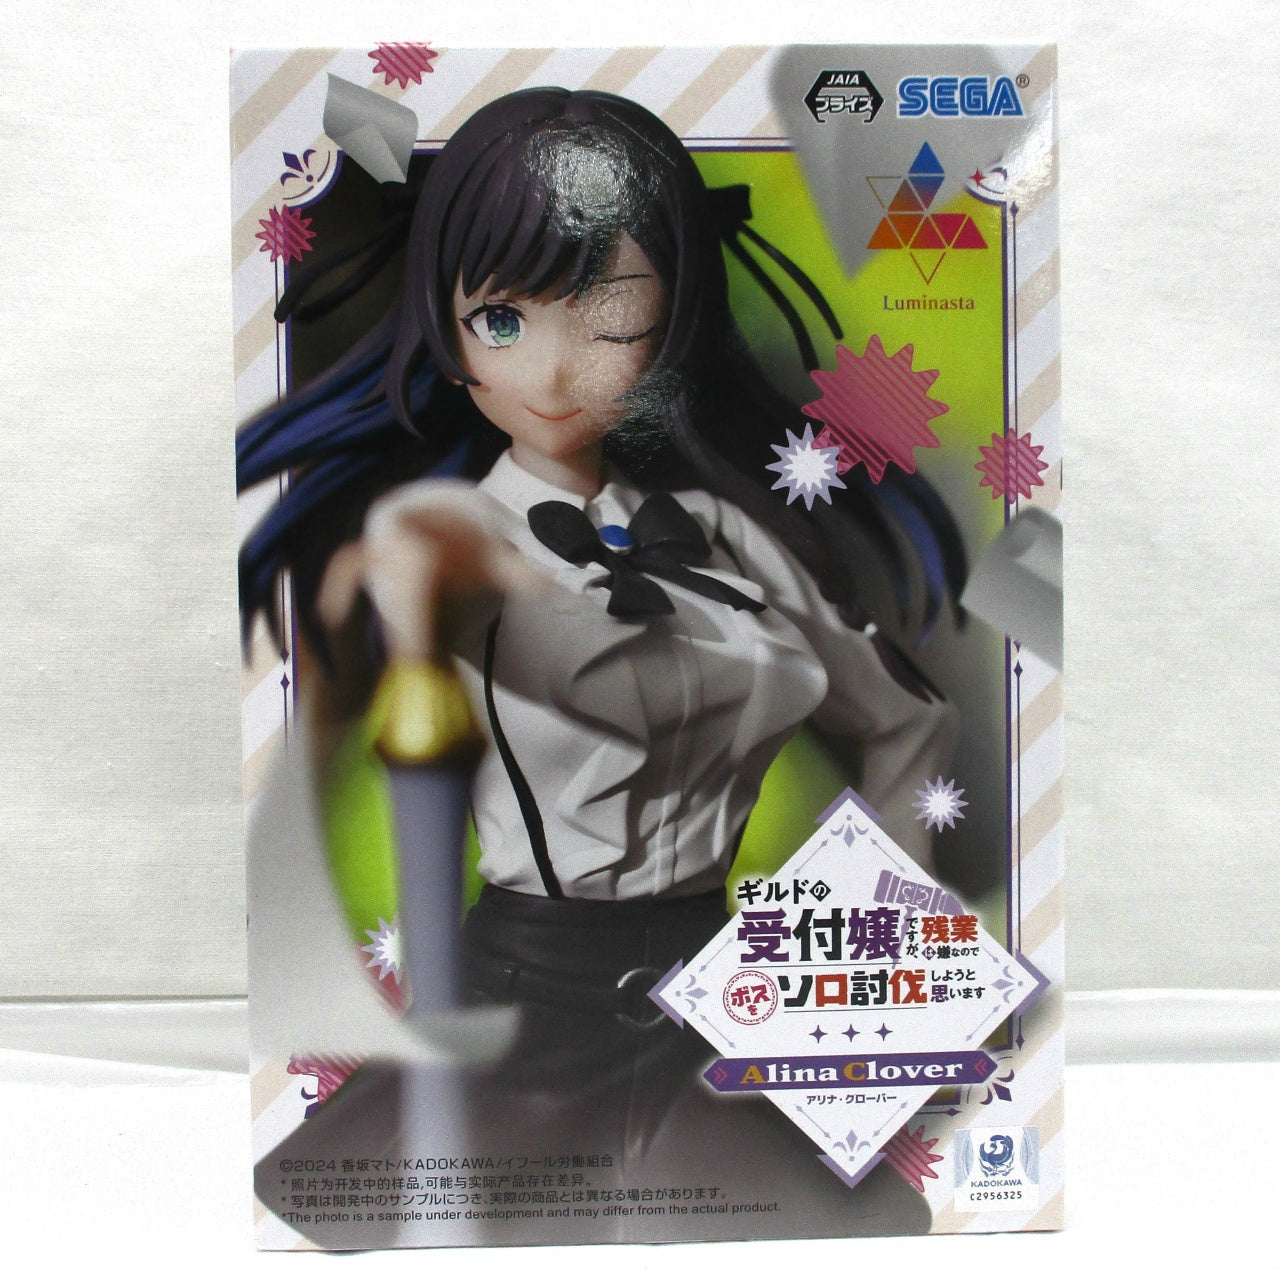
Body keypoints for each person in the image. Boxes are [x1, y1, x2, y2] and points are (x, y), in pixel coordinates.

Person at [240, 86, 964, 1246]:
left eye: (610, 318)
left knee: (871, 1228)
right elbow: (443, 585)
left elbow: (905, 724)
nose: (551, 373)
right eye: (501, 319)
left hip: (722, 1005)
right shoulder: (459, 535)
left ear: (671, 318)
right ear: (446, 323)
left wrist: (861, 963)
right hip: (522, 1013)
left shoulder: (721, 538)